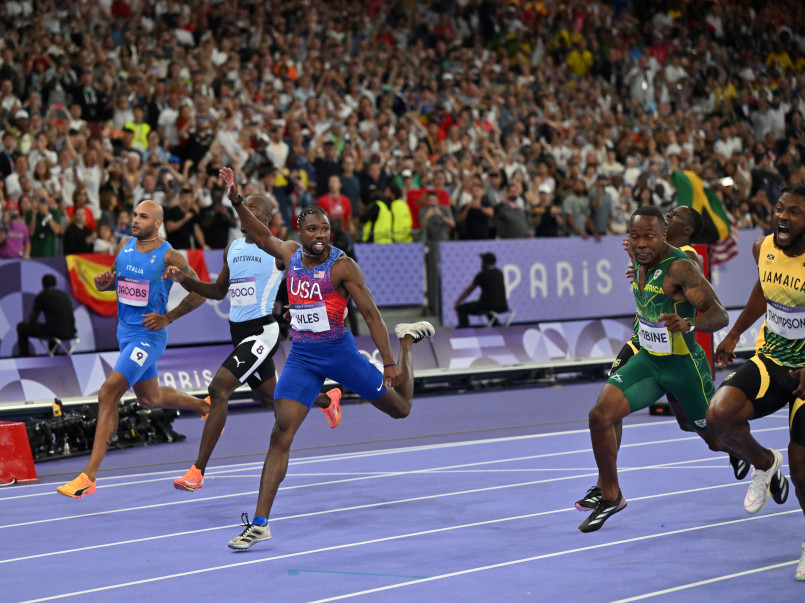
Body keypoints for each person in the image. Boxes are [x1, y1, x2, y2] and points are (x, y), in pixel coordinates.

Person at [218, 167, 434, 550]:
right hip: (302, 357)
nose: (320, 236)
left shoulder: (342, 265)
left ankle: (408, 342)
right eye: (314, 230)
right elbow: (259, 233)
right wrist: (237, 199)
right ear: (300, 231)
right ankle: (261, 523)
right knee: (279, 433)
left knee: (401, 410)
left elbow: (370, 315)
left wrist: (389, 362)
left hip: (340, 355)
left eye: (325, 230)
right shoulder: (288, 254)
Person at [164, 194, 342, 492]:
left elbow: (310, 276)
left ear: (267, 219)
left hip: (262, 332)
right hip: (239, 334)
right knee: (271, 399)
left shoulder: (278, 251)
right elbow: (219, 292)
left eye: (254, 207)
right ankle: (327, 399)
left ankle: (197, 471)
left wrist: (306, 306)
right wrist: (186, 280)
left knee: (218, 389)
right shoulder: (232, 248)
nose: (246, 209)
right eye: (244, 205)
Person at [575, 206, 747, 511]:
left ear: (677, 232)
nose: (669, 214)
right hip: (645, 346)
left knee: (702, 430)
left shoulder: (685, 260)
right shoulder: (644, 255)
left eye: (675, 216)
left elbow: (713, 309)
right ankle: (607, 489)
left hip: (679, 358)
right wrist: (639, 259)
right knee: (604, 412)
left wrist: (690, 321)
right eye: (636, 235)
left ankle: (743, 450)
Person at [56, 200, 213, 498]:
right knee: (149, 399)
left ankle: (88, 477)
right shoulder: (126, 244)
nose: (135, 220)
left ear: (157, 224)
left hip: (148, 337)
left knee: (108, 393)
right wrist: (105, 285)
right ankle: (204, 406)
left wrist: (167, 317)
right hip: (124, 333)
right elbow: (120, 284)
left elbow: (201, 294)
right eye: (135, 215)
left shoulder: (170, 256)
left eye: (143, 217)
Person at [705, 185, 805, 579]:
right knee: (719, 417)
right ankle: (765, 463)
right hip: (772, 358)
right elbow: (764, 290)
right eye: (779, 208)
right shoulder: (762, 247)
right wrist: (734, 334)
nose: (782, 216)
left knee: (802, 472)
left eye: (794, 212)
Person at [16, 274, 76, 357]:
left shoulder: (43, 295)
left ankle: (24, 356)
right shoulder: (64, 295)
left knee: (21, 327)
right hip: (71, 332)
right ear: (55, 284)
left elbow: (33, 318)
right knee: (52, 326)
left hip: (55, 332)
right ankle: (54, 353)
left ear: (43, 284)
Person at [454, 252, 509, 328]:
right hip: (503, 306)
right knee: (489, 306)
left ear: (485, 263)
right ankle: (495, 325)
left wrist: (458, 301)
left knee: (461, 308)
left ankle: (464, 329)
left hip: (488, 306)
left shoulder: (482, 274)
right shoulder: (499, 273)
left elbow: (469, 290)